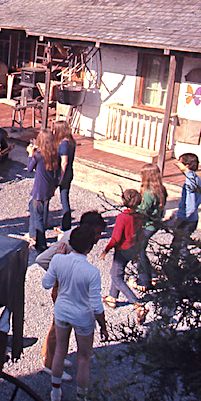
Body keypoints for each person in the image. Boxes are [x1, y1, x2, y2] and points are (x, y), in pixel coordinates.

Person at [42, 225, 110, 401]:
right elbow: (96, 305)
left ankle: (55, 394)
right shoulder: (92, 272)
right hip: (83, 317)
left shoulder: (58, 261)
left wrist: (57, 258)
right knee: (84, 358)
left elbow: (46, 283)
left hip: (62, 311)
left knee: (59, 352)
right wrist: (103, 325)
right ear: (89, 248)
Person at [35, 211, 107, 380]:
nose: (98, 237)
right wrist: (58, 274)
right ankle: (50, 363)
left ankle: (50, 355)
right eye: (97, 233)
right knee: (57, 326)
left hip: (67, 288)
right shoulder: (68, 242)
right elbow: (41, 259)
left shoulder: (74, 238)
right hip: (64, 289)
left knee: (59, 325)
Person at [102, 189, 148, 323]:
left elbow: (116, 237)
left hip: (122, 250)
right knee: (116, 271)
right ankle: (112, 297)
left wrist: (106, 249)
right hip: (133, 248)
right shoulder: (139, 216)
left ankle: (137, 304)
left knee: (116, 276)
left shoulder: (122, 217)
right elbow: (140, 235)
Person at [133, 163, 167, 292]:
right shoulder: (161, 190)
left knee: (139, 250)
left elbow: (142, 211)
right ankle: (152, 275)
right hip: (155, 224)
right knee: (142, 249)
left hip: (147, 225)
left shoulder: (148, 193)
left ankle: (144, 279)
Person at [27, 129, 61, 252]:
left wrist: (30, 153)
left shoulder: (38, 155)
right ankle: (32, 235)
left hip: (39, 190)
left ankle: (41, 245)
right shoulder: (55, 154)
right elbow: (58, 175)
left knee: (38, 217)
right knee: (34, 207)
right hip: (48, 189)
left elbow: (29, 168)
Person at [171, 153, 201, 261]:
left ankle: (193, 267)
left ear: (187, 165)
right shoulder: (196, 179)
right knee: (179, 245)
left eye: (180, 162)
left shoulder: (190, 182)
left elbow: (191, 205)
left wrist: (181, 219)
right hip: (193, 218)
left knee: (179, 247)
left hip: (187, 220)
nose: (178, 164)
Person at [53, 121, 76, 231]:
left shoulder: (63, 144)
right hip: (70, 172)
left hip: (63, 174)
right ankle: (66, 224)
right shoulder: (71, 141)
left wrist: (60, 178)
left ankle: (65, 225)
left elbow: (64, 162)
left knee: (63, 200)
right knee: (65, 198)